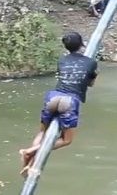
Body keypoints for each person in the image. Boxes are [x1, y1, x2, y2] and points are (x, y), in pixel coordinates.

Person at [19, 32, 98, 175]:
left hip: (53, 97)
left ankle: (29, 164)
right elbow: (90, 83)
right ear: (81, 45)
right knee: (66, 140)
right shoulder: (91, 63)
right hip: (69, 101)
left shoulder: (62, 60)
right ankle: (30, 151)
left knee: (42, 132)